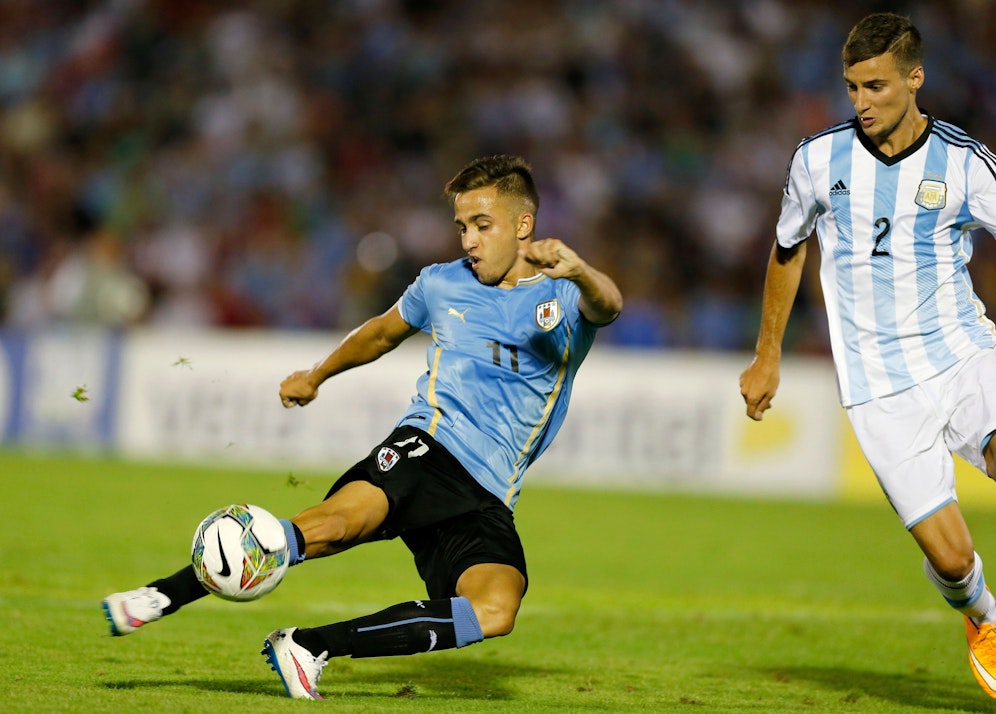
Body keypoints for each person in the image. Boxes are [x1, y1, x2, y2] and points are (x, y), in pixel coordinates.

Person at [101, 154, 623, 699]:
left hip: (489, 491)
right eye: (463, 227)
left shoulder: (565, 294)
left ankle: (308, 645)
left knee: (496, 609)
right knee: (331, 527)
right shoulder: (442, 284)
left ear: (523, 225)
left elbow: (609, 305)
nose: (469, 241)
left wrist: (581, 270)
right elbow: (380, 334)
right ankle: (161, 595)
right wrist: (317, 374)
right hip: (430, 446)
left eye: (482, 226)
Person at [739, 12, 996, 699]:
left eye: (876, 86)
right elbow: (788, 250)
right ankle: (984, 617)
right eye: (852, 87)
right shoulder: (819, 159)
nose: (862, 103)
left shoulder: (965, 163)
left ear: (915, 80)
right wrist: (768, 356)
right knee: (950, 558)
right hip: (878, 385)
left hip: (963, 353)